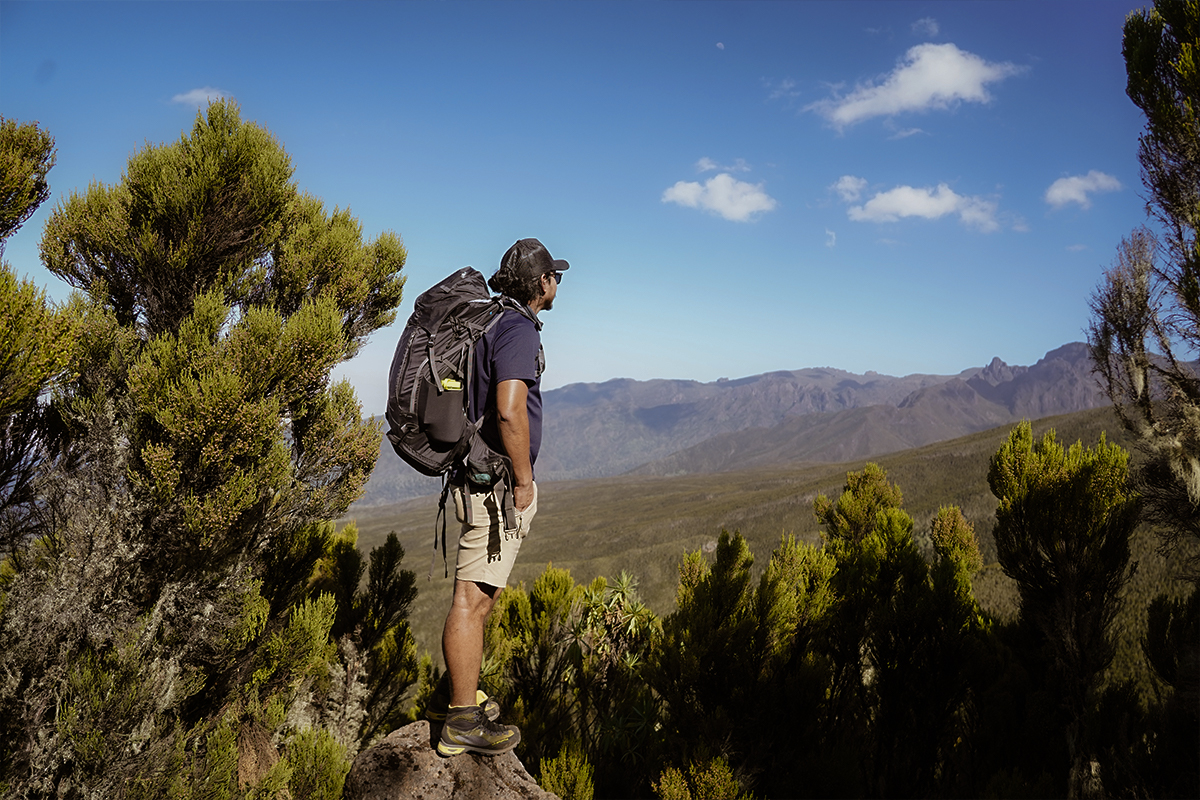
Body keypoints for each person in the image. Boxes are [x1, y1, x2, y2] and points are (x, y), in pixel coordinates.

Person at [434, 237, 568, 757]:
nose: (557, 282)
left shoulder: (492, 322)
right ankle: (462, 721)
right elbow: (510, 409)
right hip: (493, 485)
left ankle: (462, 698)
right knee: (471, 601)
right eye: (555, 275)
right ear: (542, 283)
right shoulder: (515, 329)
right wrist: (523, 479)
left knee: (478, 597)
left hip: (477, 475)